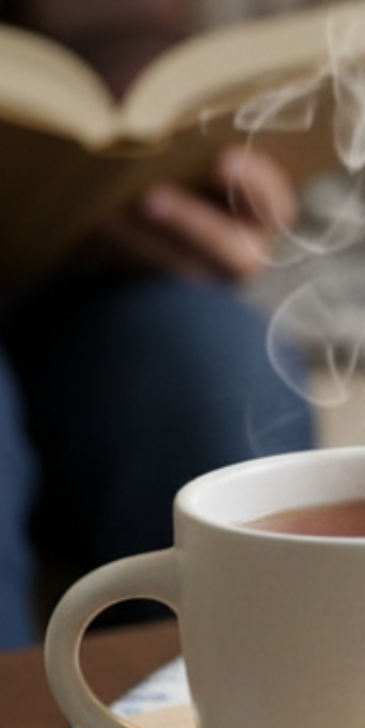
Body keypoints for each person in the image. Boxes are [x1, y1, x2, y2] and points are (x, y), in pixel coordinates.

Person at [0, 0, 315, 650]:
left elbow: (112, 26)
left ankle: (211, 708)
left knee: (221, 373)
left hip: (68, 264)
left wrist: (163, 142)